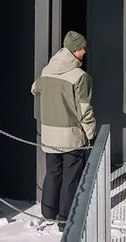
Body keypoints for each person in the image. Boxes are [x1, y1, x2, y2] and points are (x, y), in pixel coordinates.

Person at [31, 31, 96, 232]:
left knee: (53, 172)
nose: (85, 51)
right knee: (71, 176)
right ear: (76, 50)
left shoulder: (46, 71)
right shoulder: (80, 76)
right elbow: (84, 109)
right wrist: (91, 133)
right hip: (70, 135)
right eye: (83, 48)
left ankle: (49, 211)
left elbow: (35, 89)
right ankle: (66, 218)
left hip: (49, 133)